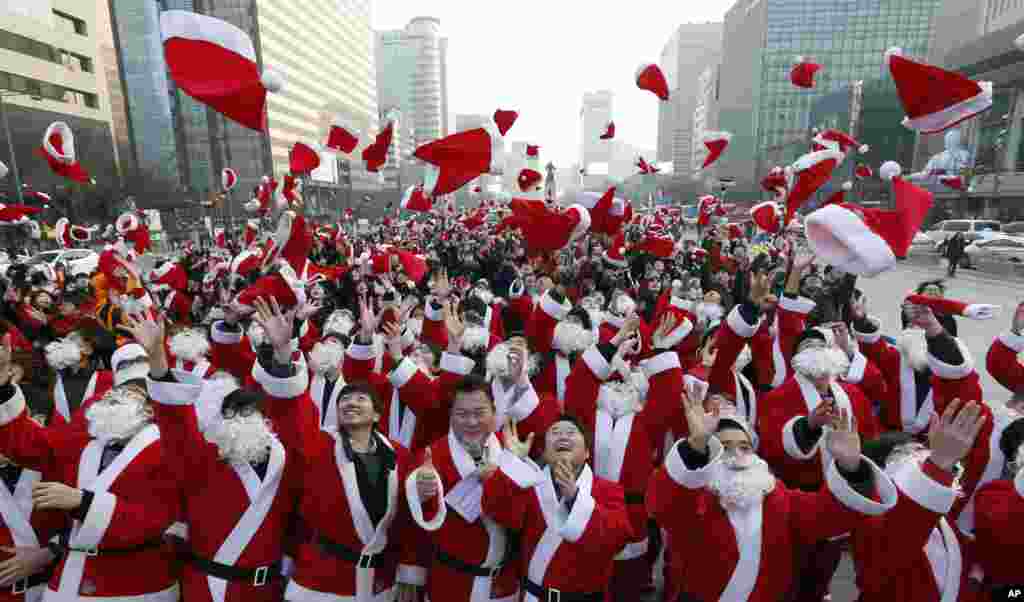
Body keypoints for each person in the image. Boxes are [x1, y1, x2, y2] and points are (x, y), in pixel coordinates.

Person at [647, 383, 898, 602]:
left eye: (744, 447)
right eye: (725, 447)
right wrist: (697, 443)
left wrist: (850, 466)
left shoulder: (779, 498)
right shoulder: (694, 499)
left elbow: (830, 516)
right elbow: (663, 505)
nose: (737, 455)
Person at [128, 305, 304, 602]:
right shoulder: (202, 457)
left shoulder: (285, 459)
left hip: (264, 591)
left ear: (266, 421)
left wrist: (283, 353)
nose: (243, 419)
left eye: (252, 412)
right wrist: (157, 358)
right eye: (234, 412)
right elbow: (175, 421)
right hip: (206, 588)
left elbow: (289, 411)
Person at [0, 333, 180, 602]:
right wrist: (3, 386)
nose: (132, 396)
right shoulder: (90, 431)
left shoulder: (172, 444)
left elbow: (155, 519)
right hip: (71, 582)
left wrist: (82, 502)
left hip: (136, 586)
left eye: (143, 389)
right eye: (126, 388)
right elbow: (33, 448)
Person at [481, 415, 635, 602]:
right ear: (545, 452)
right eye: (554, 433)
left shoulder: (609, 490)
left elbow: (618, 539)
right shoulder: (528, 486)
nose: (563, 436)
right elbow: (495, 509)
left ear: (587, 452)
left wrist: (574, 499)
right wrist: (513, 463)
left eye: (571, 433)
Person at [405, 376, 527, 602]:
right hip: (450, 583)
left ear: (494, 411)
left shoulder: (512, 449)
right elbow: (412, 527)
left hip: (502, 585)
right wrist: (419, 493)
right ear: (450, 416)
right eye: (462, 414)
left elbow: (523, 520)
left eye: (480, 413)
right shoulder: (431, 457)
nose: (471, 422)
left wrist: (509, 473)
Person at [853, 401, 988, 602]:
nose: (918, 465)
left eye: (920, 461)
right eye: (907, 462)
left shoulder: (942, 519)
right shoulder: (870, 524)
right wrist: (939, 464)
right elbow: (901, 539)